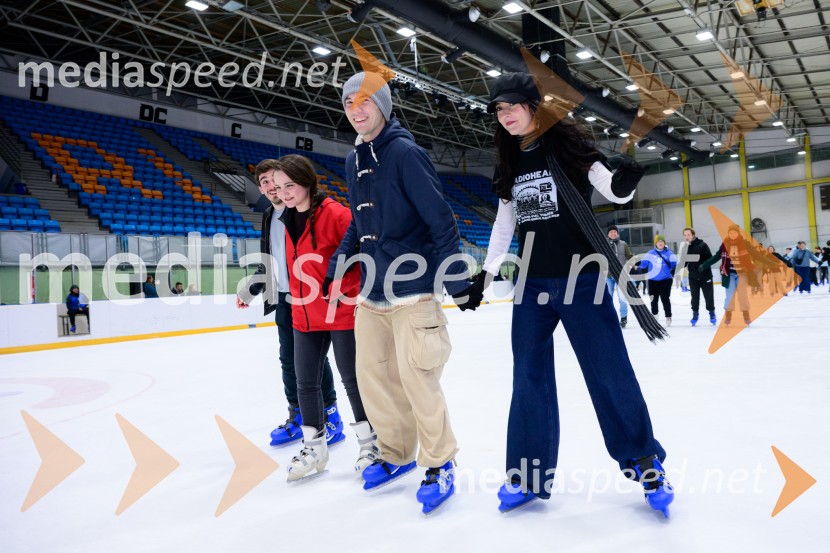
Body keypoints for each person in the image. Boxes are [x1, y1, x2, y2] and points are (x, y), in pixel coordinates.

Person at [477, 72, 672, 516]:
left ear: (532, 105)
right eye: (497, 110)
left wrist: (627, 179)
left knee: (608, 371)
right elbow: (505, 223)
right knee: (528, 376)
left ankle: (644, 460)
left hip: (580, 278)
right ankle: (526, 474)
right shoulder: (509, 160)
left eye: (511, 105)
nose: (504, 115)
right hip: (531, 283)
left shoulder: (568, 146)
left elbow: (613, 192)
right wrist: (487, 273)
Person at [326, 71, 482, 513]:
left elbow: (441, 219)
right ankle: (395, 453)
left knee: (419, 379)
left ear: (383, 105)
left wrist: (454, 280)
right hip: (371, 291)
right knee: (373, 377)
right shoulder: (354, 159)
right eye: (348, 104)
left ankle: (440, 461)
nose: (356, 111)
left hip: (413, 288)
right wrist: (339, 267)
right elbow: (358, 222)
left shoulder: (405, 153)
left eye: (365, 102)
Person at [264, 154, 373, 481]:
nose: (283, 192)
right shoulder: (283, 220)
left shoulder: (337, 214)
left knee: (352, 379)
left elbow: (363, 253)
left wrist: (346, 287)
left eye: (290, 185)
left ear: (308, 182)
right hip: (304, 312)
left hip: (340, 310)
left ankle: (371, 442)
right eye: (279, 187)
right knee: (305, 381)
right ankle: (315, 446)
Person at [238, 158, 343, 448]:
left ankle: (330, 415)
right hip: (284, 298)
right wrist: (251, 290)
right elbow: (271, 262)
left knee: (315, 360)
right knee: (289, 360)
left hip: (311, 297)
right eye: (264, 183)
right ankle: (298, 415)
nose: (271, 187)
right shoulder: (269, 216)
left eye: (274, 179)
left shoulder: (302, 213)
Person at [700, 224, 762, 325]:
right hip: (729, 274)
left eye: (734, 232)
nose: (732, 235)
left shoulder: (745, 243)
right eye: (730, 233)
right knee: (729, 296)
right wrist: (704, 265)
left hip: (742, 274)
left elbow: (756, 254)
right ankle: (728, 314)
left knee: (743, 295)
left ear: (738, 233)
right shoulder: (725, 244)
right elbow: (716, 257)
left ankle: (746, 315)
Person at [640, 235, 677, 326]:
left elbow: (674, 265)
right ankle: (655, 315)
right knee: (653, 299)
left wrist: (670, 272)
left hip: (665, 280)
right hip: (653, 280)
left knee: (665, 299)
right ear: (655, 243)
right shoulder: (650, 253)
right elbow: (643, 264)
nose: (660, 243)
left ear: (664, 243)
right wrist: (635, 264)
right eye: (658, 241)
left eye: (662, 241)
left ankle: (668, 316)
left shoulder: (669, 253)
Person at [682, 227, 716, 326]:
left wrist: (703, 266)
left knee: (709, 296)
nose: (687, 237)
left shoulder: (703, 245)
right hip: (693, 277)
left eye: (688, 234)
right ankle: (695, 314)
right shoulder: (684, 247)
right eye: (685, 235)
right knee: (694, 297)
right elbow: (684, 262)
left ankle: (712, 313)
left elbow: (710, 259)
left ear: (693, 235)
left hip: (705, 276)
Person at [606, 225, 633, 327]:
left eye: (615, 232)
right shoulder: (604, 244)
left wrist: (632, 263)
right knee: (608, 298)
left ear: (617, 233)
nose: (613, 233)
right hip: (608, 276)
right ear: (608, 234)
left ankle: (623, 318)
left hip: (620, 275)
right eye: (611, 232)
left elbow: (629, 256)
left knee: (622, 298)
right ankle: (611, 317)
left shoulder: (623, 244)